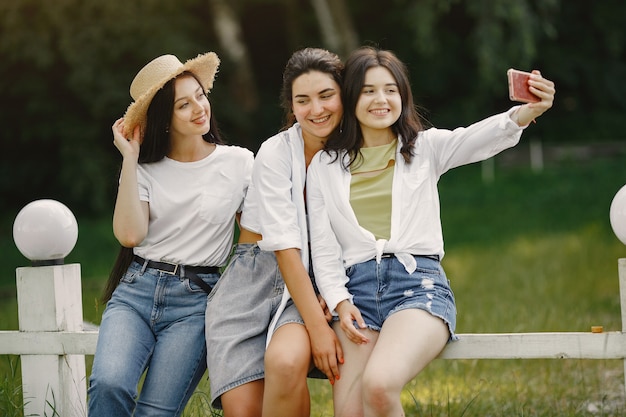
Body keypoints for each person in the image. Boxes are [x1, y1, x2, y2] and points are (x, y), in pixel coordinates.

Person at [306, 46, 555, 417]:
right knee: (348, 410)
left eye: (391, 89)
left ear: (403, 97)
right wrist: (340, 303)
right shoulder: (326, 165)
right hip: (355, 296)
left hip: (417, 288)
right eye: (369, 90)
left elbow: (478, 137)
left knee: (379, 386)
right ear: (350, 97)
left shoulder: (423, 149)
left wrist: (526, 112)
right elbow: (325, 250)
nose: (381, 99)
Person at [87, 52, 253, 417]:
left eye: (200, 95)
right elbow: (130, 235)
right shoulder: (143, 168)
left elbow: (255, 239)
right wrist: (129, 159)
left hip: (195, 302)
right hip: (136, 292)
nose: (198, 107)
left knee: (156, 413)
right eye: (183, 104)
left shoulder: (238, 163)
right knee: (108, 385)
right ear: (164, 118)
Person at [205, 47, 344, 417]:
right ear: (291, 106)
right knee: (243, 411)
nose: (316, 109)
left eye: (326, 95)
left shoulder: (354, 154)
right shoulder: (275, 153)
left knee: (285, 364)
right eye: (303, 100)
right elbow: (283, 247)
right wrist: (318, 329)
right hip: (253, 278)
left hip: (311, 277)